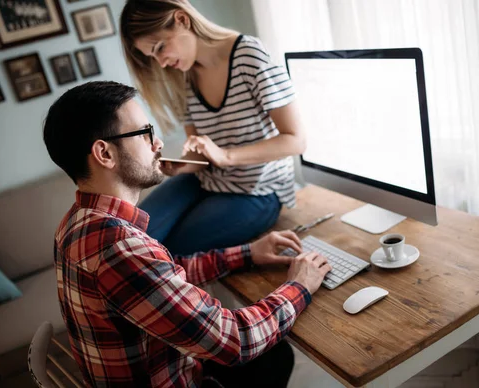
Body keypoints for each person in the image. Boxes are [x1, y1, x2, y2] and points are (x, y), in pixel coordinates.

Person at [43, 81, 331, 388]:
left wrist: (247, 253)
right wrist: (299, 285)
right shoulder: (119, 248)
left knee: (272, 356)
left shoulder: (75, 223)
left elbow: (163, 276)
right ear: (104, 153)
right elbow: (237, 341)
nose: (158, 144)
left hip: (159, 369)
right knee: (272, 353)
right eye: (145, 133)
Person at [120, 0, 306, 255]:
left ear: (182, 20)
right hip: (204, 180)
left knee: (168, 251)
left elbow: (296, 140)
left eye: (160, 47)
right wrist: (184, 164)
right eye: (152, 56)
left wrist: (227, 156)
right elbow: (200, 154)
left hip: (257, 192)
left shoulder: (249, 55)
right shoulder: (183, 75)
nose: (161, 62)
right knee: (133, 239)